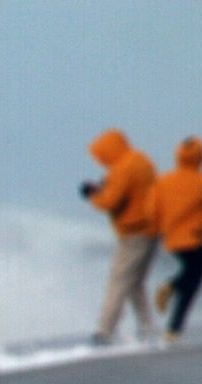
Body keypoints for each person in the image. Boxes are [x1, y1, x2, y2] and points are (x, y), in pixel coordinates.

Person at [149, 136, 202, 341]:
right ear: (201, 157)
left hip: (171, 240)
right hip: (194, 238)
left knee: (191, 276)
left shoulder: (163, 181)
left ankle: (173, 328)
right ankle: (171, 294)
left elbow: (151, 211)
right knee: (192, 279)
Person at [80, 129, 159, 343]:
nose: (100, 161)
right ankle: (148, 327)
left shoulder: (122, 168)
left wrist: (93, 195)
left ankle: (104, 331)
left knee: (119, 280)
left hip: (134, 233)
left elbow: (110, 202)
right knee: (135, 282)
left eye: (101, 155)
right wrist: (104, 188)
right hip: (152, 230)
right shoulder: (142, 160)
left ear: (109, 150)